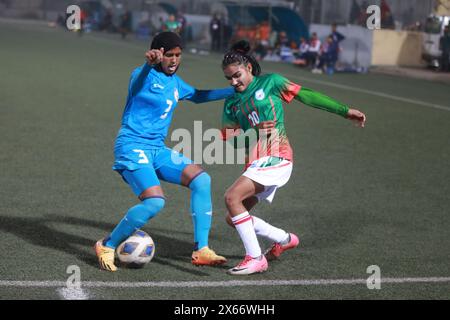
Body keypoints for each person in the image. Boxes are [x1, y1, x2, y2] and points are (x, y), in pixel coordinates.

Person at [219, 41, 366, 275]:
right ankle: (284, 239)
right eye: (229, 79)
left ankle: (255, 258)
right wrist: (254, 133)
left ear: (248, 67)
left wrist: (344, 110)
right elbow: (230, 139)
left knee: (231, 197)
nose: (234, 82)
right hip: (257, 162)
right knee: (234, 216)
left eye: (237, 75)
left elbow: (307, 96)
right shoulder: (232, 102)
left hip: (277, 156)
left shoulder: (271, 82)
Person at [94, 32, 234, 272]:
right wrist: (148, 65)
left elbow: (199, 96)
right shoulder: (142, 75)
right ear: (158, 55)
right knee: (155, 202)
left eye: (178, 55)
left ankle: (201, 250)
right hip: (131, 146)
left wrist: (235, 90)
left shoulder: (176, 83)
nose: (174, 60)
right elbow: (138, 81)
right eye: (169, 55)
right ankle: (107, 244)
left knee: (202, 180)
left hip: (156, 149)